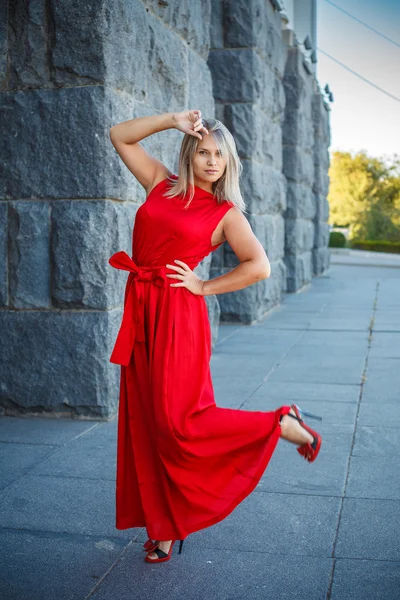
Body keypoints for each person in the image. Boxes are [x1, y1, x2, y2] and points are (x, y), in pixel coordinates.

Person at [108, 110, 322, 564]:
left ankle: (279, 423)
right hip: (142, 310)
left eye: (219, 156)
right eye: (204, 152)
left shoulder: (225, 213)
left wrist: (203, 286)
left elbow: (258, 266)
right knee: (146, 422)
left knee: (178, 422)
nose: (211, 162)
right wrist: (172, 121)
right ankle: (163, 529)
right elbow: (119, 136)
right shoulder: (159, 183)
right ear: (191, 152)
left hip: (178, 317)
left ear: (229, 164)